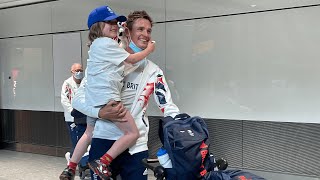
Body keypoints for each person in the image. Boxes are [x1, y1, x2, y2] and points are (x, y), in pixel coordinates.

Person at [59, 6, 156, 180]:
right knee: (129, 133)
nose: (145, 34)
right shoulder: (108, 49)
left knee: (89, 132)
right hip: (105, 132)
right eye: (139, 29)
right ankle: (102, 162)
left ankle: (71, 167)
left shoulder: (149, 68)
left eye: (148, 30)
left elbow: (126, 54)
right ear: (131, 32)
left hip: (136, 148)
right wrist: (99, 112)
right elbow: (77, 100)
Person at [60, 63, 85, 159]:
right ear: (72, 72)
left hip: (84, 117)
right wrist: (73, 112)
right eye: (77, 70)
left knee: (82, 141)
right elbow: (64, 100)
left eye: (81, 70)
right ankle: (71, 158)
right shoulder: (67, 84)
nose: (79, 72)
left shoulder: (84, 82)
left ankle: (77, 160)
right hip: (72, 118)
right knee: (75, 140)